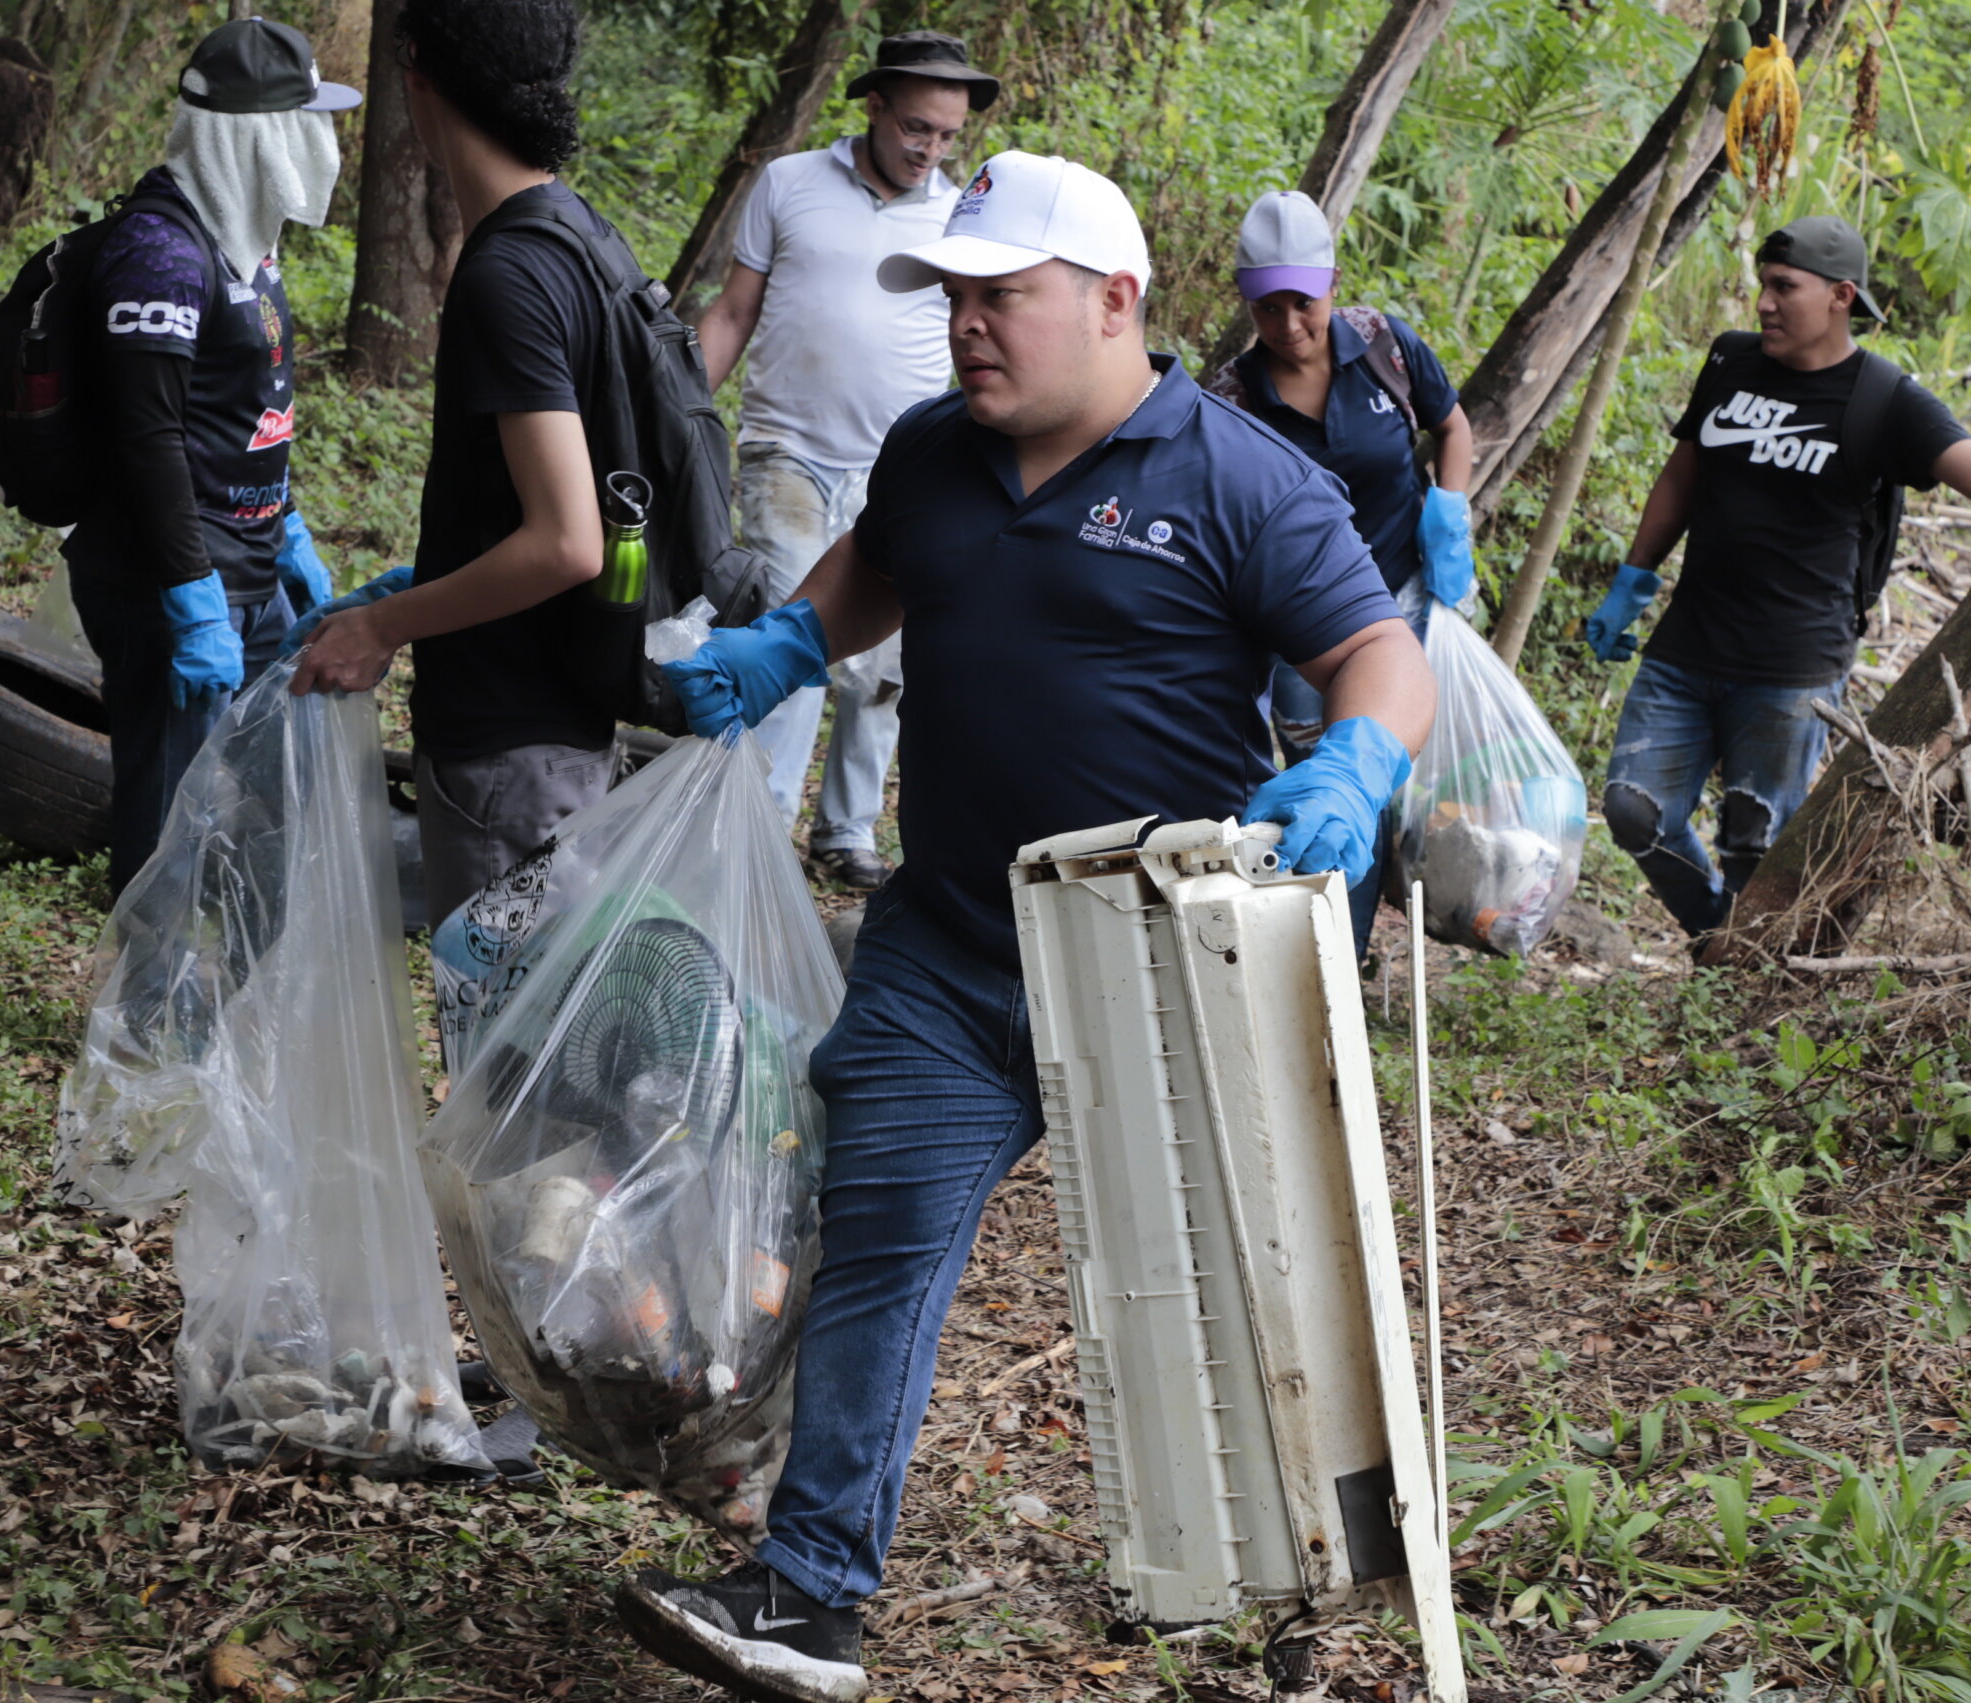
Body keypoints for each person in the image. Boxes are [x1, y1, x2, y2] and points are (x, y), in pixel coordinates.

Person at [611, 151, 1436, 1703]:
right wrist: (793, 639)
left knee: (1238, 1274)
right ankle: (809, 1591)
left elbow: (1382, 657)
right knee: (877, 1243)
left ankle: (1295, 1595)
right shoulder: (937, 448)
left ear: (1115, 299)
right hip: (954, 940)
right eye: (955, 298)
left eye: (1004, 296)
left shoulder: (1238, 474)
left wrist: (1358, 754)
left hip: (1162, 954)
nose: (969, 328)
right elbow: (882, 565)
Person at [1585, 215, 1971, 941]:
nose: (1763, 302)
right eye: (1762, 284)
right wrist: (1632, 578)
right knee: (1635, 810)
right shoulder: (1731, 363)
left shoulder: (1884, 399)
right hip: (1684, 649)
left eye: (1783, 287)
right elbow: (1683, 473)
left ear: (1839, 296)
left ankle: (1744, 979)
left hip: (1791, 669)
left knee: (1754, 841)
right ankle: (1716, 932)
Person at [285, 0, 617, 1078]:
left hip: (505, 749)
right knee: (551, 1060)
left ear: (418, 74)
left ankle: (528, 1255)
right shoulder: (580, 236)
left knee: (512, 1087)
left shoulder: (507, 273)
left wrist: (382, 623)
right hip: (564, 723)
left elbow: (567, 538)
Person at [693, 31, 997, 890]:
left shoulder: (961, 215)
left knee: (887, 662)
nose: (928, 149)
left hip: (902, 462)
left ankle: (847, 829)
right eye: (914, 127)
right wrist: (678, 417)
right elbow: (733, 310)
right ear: (872, 104)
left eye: (945, 135)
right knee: (797, 629)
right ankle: (763, 817)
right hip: (787, 448)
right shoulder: (790, 184)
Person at [62, 17, 357, 894]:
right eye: (309, 120)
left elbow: (241, 401)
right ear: (256, 133)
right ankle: (142, 1020)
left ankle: (223, 1003)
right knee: (166, 820)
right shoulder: (159, 251)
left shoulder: (248, 238)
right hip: (170, 583)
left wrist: (287, 525)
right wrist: (191, 604)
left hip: (248, 569)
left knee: (264, 804)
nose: (326, 141)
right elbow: (146, 438)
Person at [1213, 188, 1478, 946]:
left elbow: (1451, 428)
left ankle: (1395, 914)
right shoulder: (1232, 401)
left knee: (1398, 773)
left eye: (1303, 302)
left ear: (1331, 284)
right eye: (1268, 308)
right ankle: (1333, 945)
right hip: (1308, 627)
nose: (1289, 325)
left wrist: (1449, 510)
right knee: (1330, 784)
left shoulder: (1384, 346)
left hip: (1406, 592)